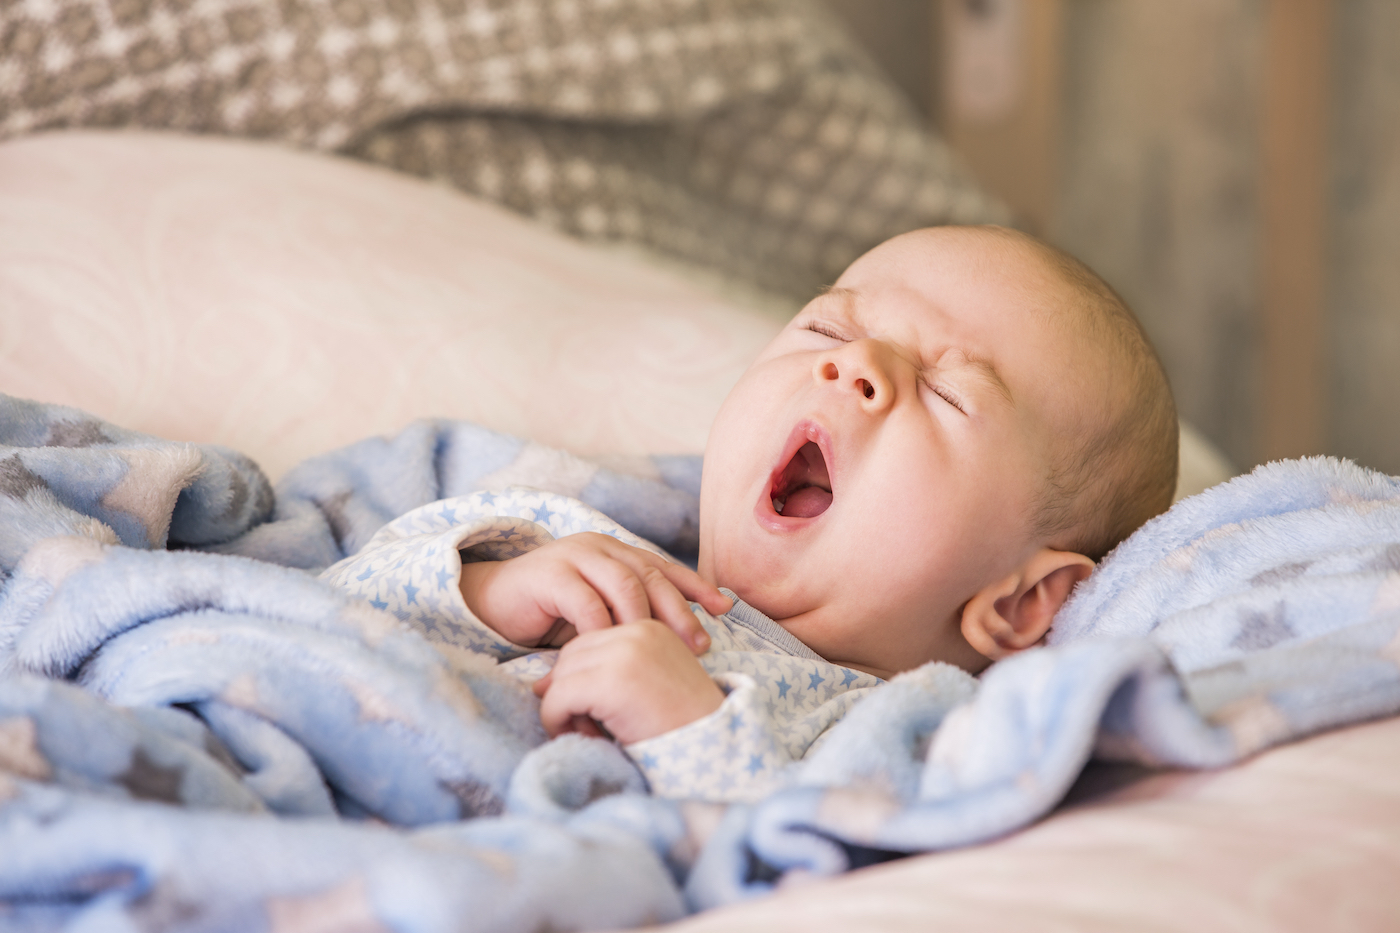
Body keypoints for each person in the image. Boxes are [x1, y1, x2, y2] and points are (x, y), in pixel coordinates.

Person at [323, 225, 1179, 802]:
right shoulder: (577, 538)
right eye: (825, 328)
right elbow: (325, 607)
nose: (856, 365)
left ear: (1023, 603)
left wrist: (687, 730)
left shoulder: (898, 729)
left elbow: (820, 873)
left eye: (950, 392)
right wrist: (485, 590)